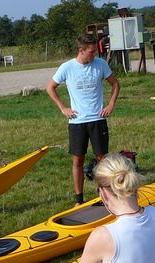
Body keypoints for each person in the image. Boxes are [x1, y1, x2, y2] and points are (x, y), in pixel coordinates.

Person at [47, 33, 121, 206]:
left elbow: (115, 84)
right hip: (77, 122)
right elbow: (50, 87)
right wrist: (63, 108)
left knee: (102, 159)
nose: (94, 54)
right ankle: (79, 199)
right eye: (91, 52)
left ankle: (105, 194)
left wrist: (110, 104)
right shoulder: (67, 67)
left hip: (98, 119)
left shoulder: (101, 64)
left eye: (95, 51)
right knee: (78, 160)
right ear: (81, 51)